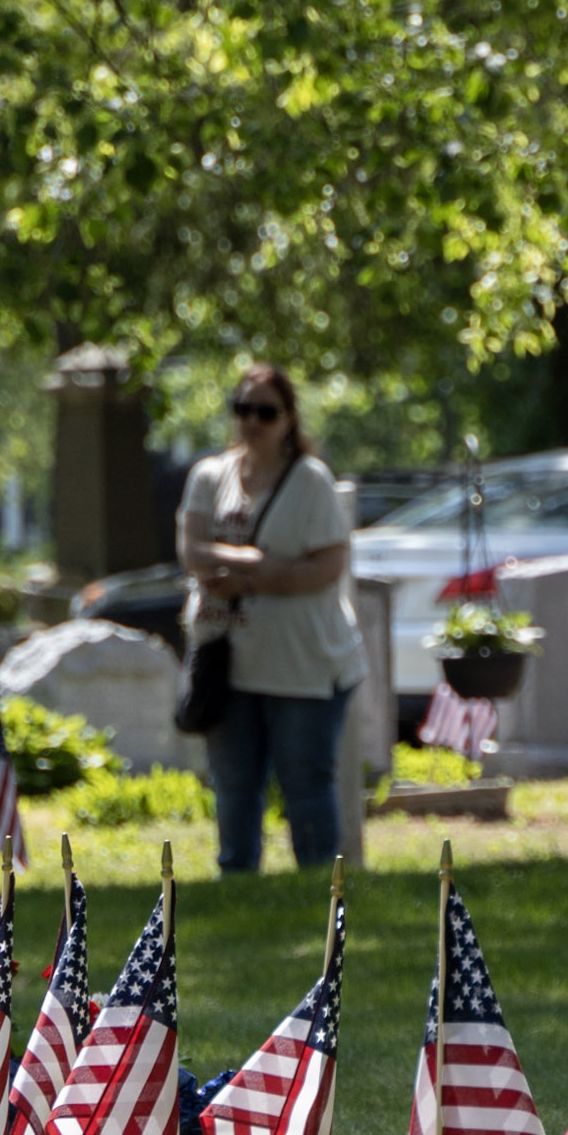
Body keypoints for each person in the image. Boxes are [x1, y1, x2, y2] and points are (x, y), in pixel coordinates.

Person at [177, 363, 367, 873]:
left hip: (304, 665)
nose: (252, 422)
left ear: (289, 418)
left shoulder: (310, 481)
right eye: (243, 409)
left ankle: (320, 887)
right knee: (235, 784)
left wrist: (243, 575)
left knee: (306, 783)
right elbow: (192, 550)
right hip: (229, 663)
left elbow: (327, 567)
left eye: (266, 411)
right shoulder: (208, 476)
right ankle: (237, 882)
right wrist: (262, 565)